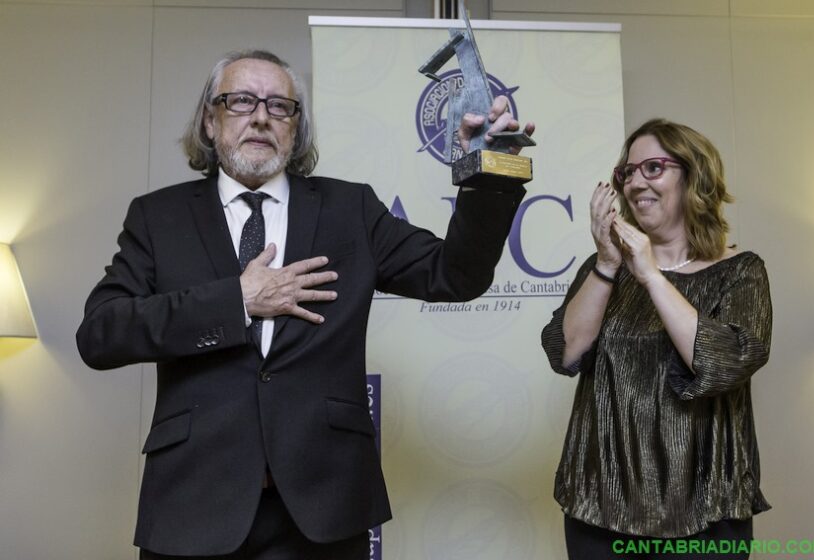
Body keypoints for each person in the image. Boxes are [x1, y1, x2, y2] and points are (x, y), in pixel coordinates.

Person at [76, 49, 534, 559]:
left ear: (296, 129)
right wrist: (237, 300)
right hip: (194, 506)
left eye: (279, 106)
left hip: (325, 509)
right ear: (210, 120)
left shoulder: (351, 209)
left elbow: (456, 275)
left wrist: (485, 170)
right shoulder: (157, 217)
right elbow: (100, 333)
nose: (260, 117)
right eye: (241, 101)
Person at [541, 119, 772, 559]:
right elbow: (565, 352)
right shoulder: (604, 271)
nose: (634, 183)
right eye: (627, 173)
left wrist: (650, 274)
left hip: (707, 508)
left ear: (693, 176)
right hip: (601, 507)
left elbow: (720, 363)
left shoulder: (741, 271)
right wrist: (609, 264)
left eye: (652, 168)